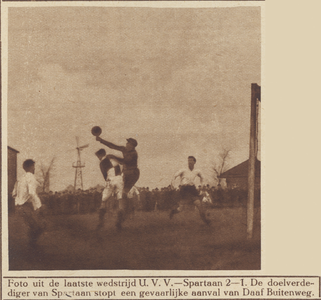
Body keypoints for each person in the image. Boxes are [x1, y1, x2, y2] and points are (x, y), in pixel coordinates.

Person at [96, 136, 140, 230]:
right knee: (122, 197)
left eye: (129, 144)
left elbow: (125, 161)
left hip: (132, 174)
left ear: (132, 146)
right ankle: (120, 219)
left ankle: (118, 219)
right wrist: (101, 140)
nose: (126, 144)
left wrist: (113, 156)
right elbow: (113, 146)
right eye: (127, 143)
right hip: (123, 175)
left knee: (121, 195)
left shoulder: (133, 153)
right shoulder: (124, 149)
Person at [12, 159, 45, 247]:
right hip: (26, 206)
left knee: (32, 226)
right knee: (39, 227)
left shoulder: (20, 179)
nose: (34, 168)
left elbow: (13, 193)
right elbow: (31, 193)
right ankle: (32, 246)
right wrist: (39, 206)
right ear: (30, 167)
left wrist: (19, 200)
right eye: (33, 166)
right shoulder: (31, 177)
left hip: (19, 207)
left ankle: (32, 245)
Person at [170, 156, 210, 225]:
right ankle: (173, 212)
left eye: (191, 160)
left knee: (199, 205)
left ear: (194, 162)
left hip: (192, 189)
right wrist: (174, 186)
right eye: (188, 160)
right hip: (184, 190)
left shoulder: (197, 171)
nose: (189, 162)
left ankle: (206, 221)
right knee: (181, 208)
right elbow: (174, 176)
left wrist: (202, 185)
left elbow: (203, 178)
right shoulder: (183, 170)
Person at [95, 149, 123, 230]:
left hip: (110, 180)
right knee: (120, 200)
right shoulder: (113, 158)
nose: (98, 158)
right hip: (119, 179)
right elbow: (120, 166)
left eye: (98, 156)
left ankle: (101, 223)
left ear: (100, 155)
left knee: (103, 201)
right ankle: (119, 223)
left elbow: (104, 175)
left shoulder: (102, 162)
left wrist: (108, 183)